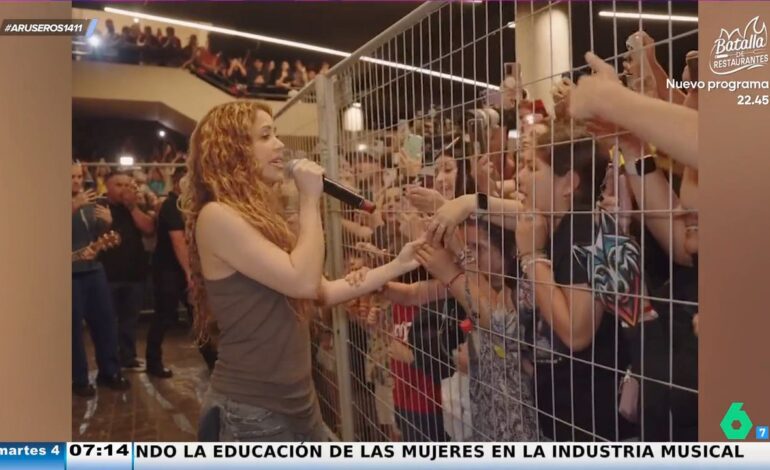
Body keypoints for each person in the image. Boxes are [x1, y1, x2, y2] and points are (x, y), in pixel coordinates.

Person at [182, 101, 424, 442]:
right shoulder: (216, 217)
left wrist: (396, 265)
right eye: (266, 136)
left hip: (298, 401)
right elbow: (303, 282)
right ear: (233, 150)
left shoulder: (261, 217)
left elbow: (321, 290)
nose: (280, 145)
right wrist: (310, 200)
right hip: (254, 409)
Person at [514, 125, 633, 441]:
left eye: (532, 167)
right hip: (568, 413)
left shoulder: (584, 227)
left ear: (569, 183)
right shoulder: (559, 225)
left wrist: (531, 256)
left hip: (593, 421)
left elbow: (576, 332)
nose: (519, 178)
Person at [71, 163, 130, 396]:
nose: (76, 181)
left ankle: (110, 371)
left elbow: (94, 234)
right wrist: (71, 208)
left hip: (93, 269)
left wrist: (106, 223)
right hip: (69, 274)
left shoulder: (88, 201)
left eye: (79, 176)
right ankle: (79, 379)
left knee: (105, 321)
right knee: (73, 330)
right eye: (72, 177)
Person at [100, 172, 156, 371]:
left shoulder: (134, 207)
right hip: (108, 275)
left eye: (127, 184)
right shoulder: (100, 206)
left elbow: (149, 228)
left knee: (130, 320)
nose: (123, 188)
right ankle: (109, 361)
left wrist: (132, 207)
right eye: (118, 184)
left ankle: (128, 356)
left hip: (134, 274)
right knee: (108, 321)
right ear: (107, 187)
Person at [145, 167, 190, 378]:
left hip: (178, 269)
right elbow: (178, 241)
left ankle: (214, 361)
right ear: (179, 182)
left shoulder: (186, 206)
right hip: (168, 270)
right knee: (164, 315)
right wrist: (190, 274)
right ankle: (153, 362)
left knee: (198, 315)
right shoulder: (172, 206)